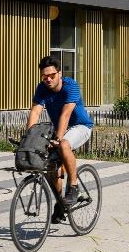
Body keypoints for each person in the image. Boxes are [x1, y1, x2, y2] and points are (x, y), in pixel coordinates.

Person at [27, 56, 94, 223]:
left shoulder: (71, 86)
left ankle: (74, 186)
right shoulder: (42, 88)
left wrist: (58, 138)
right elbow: (35, 112)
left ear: (59, 73)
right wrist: (29, 138)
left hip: (80, 126)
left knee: (63, 144)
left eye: (52, 75)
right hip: (59, 129)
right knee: (50, 167)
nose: (48, 79)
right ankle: (61, 203)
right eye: (45, 76)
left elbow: (66, 114)